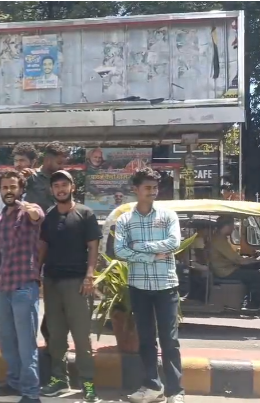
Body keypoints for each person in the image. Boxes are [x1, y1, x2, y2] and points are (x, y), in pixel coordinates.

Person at [0, 142, 67, 343]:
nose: (18, 165)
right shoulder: (9, 183)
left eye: (22, 161)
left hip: (42, 242)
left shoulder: (45, 180)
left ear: (33, 162)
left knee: (43, 288)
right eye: (16, 161)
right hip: (14, 244)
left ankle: (47, 336)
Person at [114, 167, 184, 403]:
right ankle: (152, 386)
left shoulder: (168, 216)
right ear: (136, 189)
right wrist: (152, 255)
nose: (152, 191)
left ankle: (175, 391)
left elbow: (174, 243)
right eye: (147, 188)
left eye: (155, 187)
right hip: (139, 286)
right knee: (145, 339)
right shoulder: (125, 220)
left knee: (169, 340)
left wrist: (139, 247)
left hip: (166, 285)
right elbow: (120, 251)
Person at [38, 170, 101, 402]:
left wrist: (89, 276)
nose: (61, 189)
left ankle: (88, 384)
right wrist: (36, 273)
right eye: (56, 186)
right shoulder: (49, 216)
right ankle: (59, 380)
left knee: (82, 338)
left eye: (64, 185)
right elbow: (43, 246)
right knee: (56, 336)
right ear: (52, 190)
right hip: (52, 282)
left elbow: (93, 247)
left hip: (78, 284)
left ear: (72, 187)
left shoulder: (85, 214)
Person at [0, 170, 44, 403]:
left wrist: (32, 211)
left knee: (26, 343)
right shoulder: (0, 218)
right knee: (7, 340)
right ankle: (14, 382)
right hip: (4, 287)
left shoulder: (29, 211)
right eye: (5, 187)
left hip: (24, 287)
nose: (9, 191)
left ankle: (31, 392)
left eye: (13, 187)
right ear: (0, 191)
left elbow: (38, 217)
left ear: (21, 189)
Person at [208, 217, 260, 309]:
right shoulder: (219, 240)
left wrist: (251, 259)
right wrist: (257, 260)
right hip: (225, 272)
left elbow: (234, 257)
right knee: (257, 276)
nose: (233, 228)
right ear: (226, 226)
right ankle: (254, 304)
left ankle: (249, 300)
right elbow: (239, 261)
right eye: (232, 226)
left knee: (252, 270)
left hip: (227, 268)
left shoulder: (220, 238)